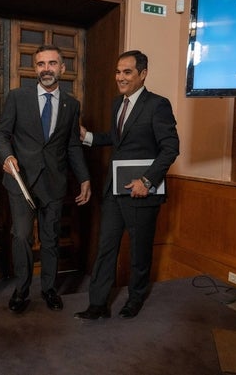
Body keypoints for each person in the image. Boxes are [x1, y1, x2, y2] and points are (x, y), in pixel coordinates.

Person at [74, 50, 179, 320]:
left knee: (139, 251)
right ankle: (97, 304)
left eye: (127, 72)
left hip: (142, 192)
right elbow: (118, 139)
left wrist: (147, 181)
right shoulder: (116, 104)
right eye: (118, 72)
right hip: (114, 190)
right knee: (106, 247)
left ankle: (134, 300)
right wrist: (89, 137)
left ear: (142, 74)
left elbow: (170, 148)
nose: (120, 77)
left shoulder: (158, 105)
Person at [0, 45, 91, 313]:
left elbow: (72, 145)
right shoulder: (17, 97)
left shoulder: (72, 104)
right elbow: (2, 134)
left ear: (62, 68)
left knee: (50, 239)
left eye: (51, 63)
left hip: (55, 182)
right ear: (35, 68)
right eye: (40, 64)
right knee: (22, 237)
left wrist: (84, 178)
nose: (46, 69)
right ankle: (21, 290)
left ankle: (49, 289)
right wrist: (7, 156)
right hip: (21, 181)